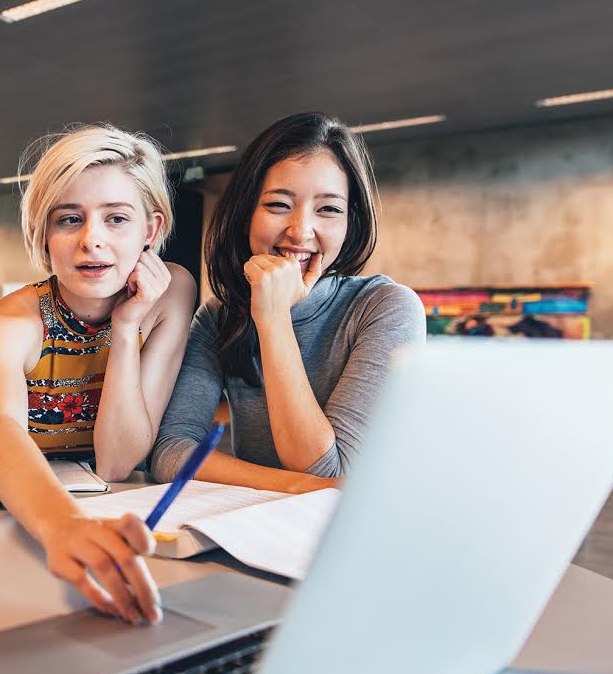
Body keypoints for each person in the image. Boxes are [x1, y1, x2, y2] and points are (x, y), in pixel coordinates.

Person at [0, 125, 196, 624]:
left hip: (116, 509)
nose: (92, 240)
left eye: (117, 219)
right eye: (69, 219)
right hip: (24, 514)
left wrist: (126, 327)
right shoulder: (8, 321)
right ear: (43, 234)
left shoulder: (171, 293)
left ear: (150, 231)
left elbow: (117, 461)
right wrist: (62, 526)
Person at [151, 111, 426, 492]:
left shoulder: (386, 308)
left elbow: (326, 469)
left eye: (328, 209)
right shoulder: (217, 316)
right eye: (279, 205)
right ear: (245, 213)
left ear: (351, 223)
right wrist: (292, 486)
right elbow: (171, 451)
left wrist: (273, 317)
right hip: (252, 528)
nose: (300, 231)